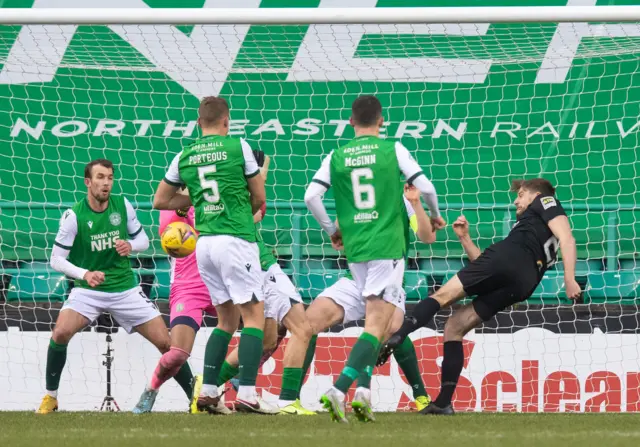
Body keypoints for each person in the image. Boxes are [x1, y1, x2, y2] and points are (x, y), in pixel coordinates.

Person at [379, 178, 581, 415]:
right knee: (454, 326)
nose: (516, 201)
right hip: (524, 283)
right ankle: (443, 403)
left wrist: (569, 279)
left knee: (443, 296)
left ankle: (398, 336)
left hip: (510, 259)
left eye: (520, 195)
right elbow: (487, 268)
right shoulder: (531, 228)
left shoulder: (546, 201)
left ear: (532, 194)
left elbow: (568, 239)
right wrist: (465, 238)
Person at [304, 95, 443, 422]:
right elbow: (428, 186)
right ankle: (338, 390)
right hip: (386, 249)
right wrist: (435, 213)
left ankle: (364, 393)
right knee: (377, 325)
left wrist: (331, 230)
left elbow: (311, 196)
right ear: (382, 121)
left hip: (356, 251)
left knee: (387, 325)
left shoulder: (336, 155)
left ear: (350, 122)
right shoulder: (393, 151)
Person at [38, 159, 194, 413]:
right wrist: (85, 273)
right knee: (60, 333)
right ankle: (51, 397)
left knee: (167, 344)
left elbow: (143, 239)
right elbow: (56, 259)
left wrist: (131, 246)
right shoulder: (73, 216)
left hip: (125, 289)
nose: (106, 183)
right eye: (100, 177)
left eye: (110, 177)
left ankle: (195, 399)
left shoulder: (122, 205)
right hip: (88, 291)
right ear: (88, 182)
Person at [153, 96, 277, 413]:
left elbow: (160, 200)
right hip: (235, 240)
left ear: (198, 123)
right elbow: (259, 195)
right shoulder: (239, 148)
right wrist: (240, 215)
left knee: (225, 320)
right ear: (226, 121)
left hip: (204, 245)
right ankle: (247, 393)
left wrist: (189, 198)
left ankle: (207, 392)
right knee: (253, 319)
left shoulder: (185, 154)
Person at [300, 185, 438, 414]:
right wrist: (338, 230)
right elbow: (339, 231)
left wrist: (415, 203)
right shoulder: (357, 198)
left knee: (392, 330)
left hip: (390, 281)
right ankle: (290, 401)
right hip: (355, 280)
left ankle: (418, 395)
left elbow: (426, 237)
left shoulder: (402, 201)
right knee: (305, 324)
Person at [132, 194, 217, 414]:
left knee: (263, 331)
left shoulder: (217, 194)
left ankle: (236, 387)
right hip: (188, 287)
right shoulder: (173, 201)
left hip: (222, 283)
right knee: (178, 352)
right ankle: (151, 390)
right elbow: (167, 236)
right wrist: (182, 212)